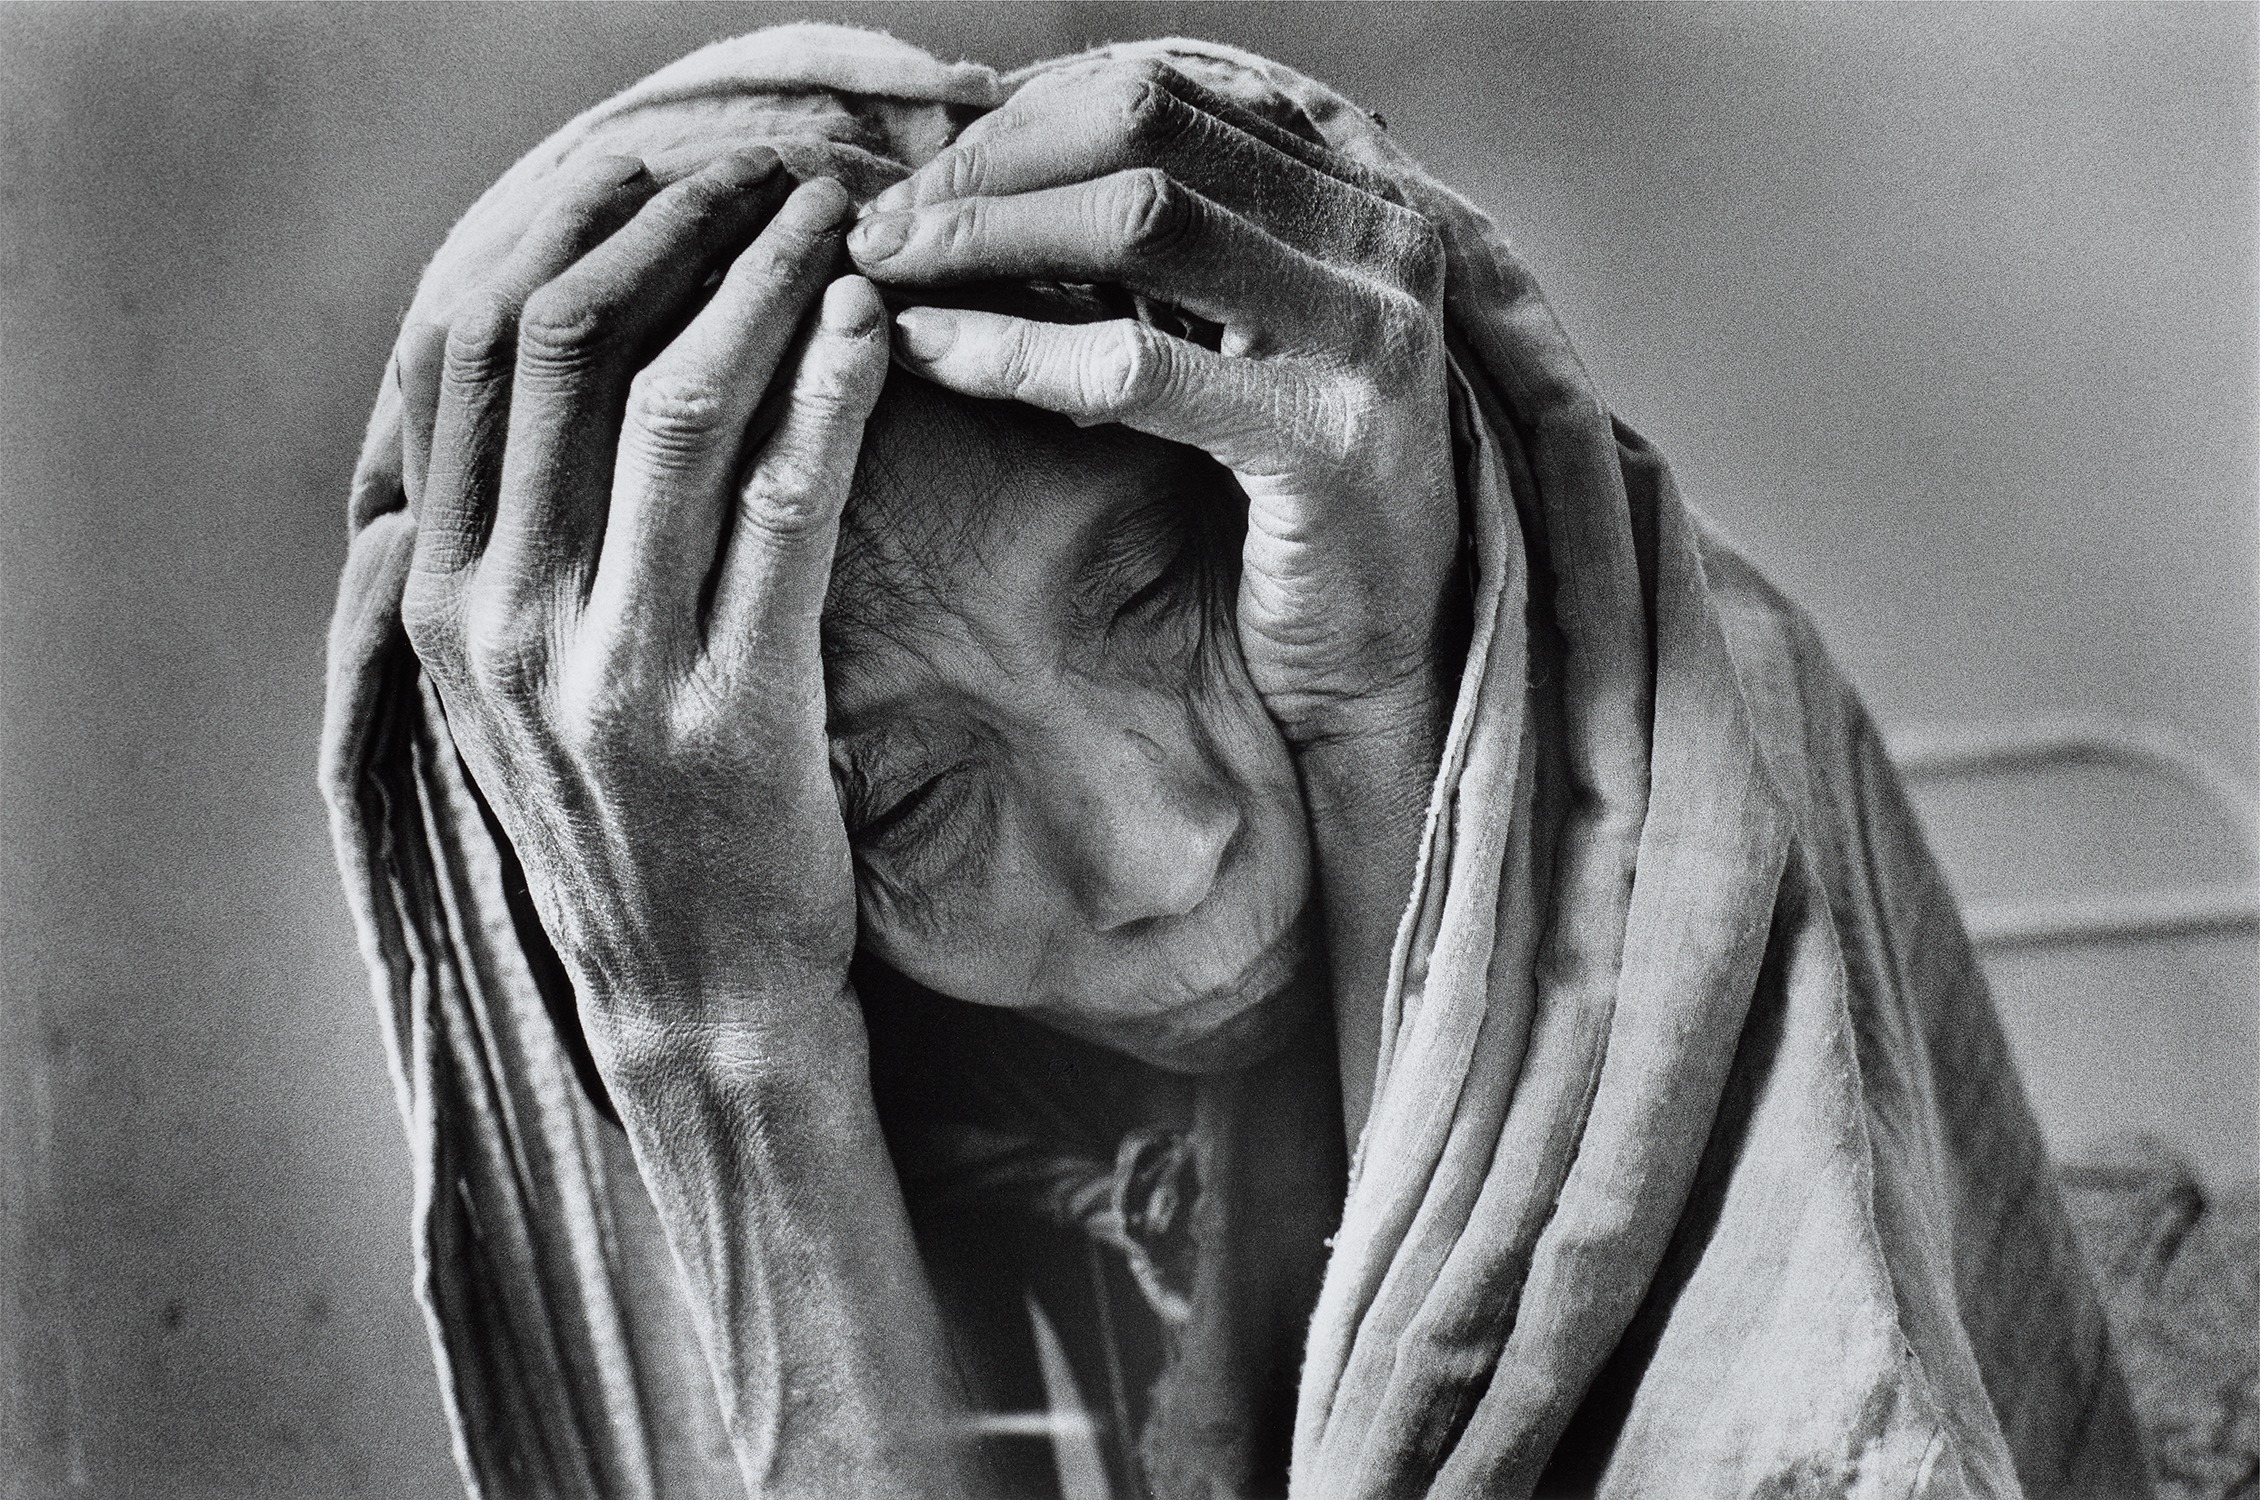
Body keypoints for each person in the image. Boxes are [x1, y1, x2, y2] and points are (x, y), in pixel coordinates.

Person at [321, 24, 2150, 1500]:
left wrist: (1380, 698)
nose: (1160, 849)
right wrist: (725, 1043)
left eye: (1153, 589)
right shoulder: (749, 994)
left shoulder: (1659, 745)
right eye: (907, 800)